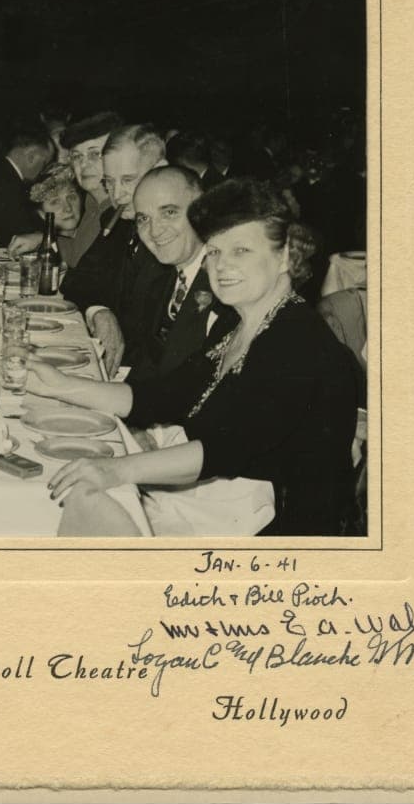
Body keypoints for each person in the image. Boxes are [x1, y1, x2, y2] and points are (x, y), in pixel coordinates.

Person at [30, 178, 358, 538]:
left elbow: (223, 449)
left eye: (241, 251)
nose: (221, 266)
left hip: (279, 534)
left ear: (284, 258)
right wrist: (57, 384)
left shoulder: (298, 342)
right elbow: (162, 397)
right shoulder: (239, 325)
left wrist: (115, 470)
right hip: (221, 503)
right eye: (215, 251)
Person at [84, 165, 224, 379]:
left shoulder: (226, 285)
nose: (154, 230)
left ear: (202, 210)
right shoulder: (159, 277)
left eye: (169, 212)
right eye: (144, 219)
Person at [60, 122, 166, 313]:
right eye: (109, 182)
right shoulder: (116, 218)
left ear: (160, 170)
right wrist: (98, 311)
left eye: (128, 180)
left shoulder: (178, 231)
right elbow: (75, 284)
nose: (117, 195)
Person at [8, 110, 119, 262]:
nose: (84, 164)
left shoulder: (119, 211)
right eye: (77, 156)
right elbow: (76, 254)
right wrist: (42, 238)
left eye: (94, 154)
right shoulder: (92, 202)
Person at [22, 164, 87, 269]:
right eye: (55, 202)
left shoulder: (93, 237)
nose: (68, 208)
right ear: (42, 214)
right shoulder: (36, 249)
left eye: (71, 197)